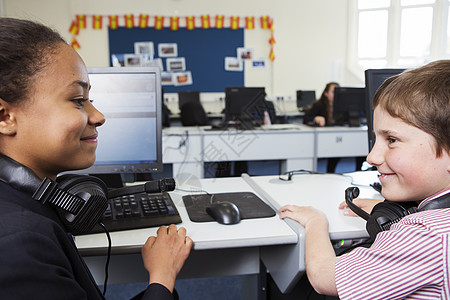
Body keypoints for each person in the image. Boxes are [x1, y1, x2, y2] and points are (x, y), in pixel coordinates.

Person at [0, 18, 193, 299]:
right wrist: (162, 278)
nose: (99, 116)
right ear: (6, 117)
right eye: (78, 99)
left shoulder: (25, 205)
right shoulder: (20, 246)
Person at [280, 60, 450, 298]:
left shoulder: (426, 237)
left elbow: (324, 277)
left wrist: (315, 222)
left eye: (391, 139)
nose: (371, 157)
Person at [303, 82, 364, 173]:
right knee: (336, 149)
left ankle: (359, 170)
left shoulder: (345, 106)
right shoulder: (319, 105)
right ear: (326, 93)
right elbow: (306, 118)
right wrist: (315, 118)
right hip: (325, 138)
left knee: (359, 144)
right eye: (333, 92)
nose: (335, 94)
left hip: (340, 137)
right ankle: (330, 171)